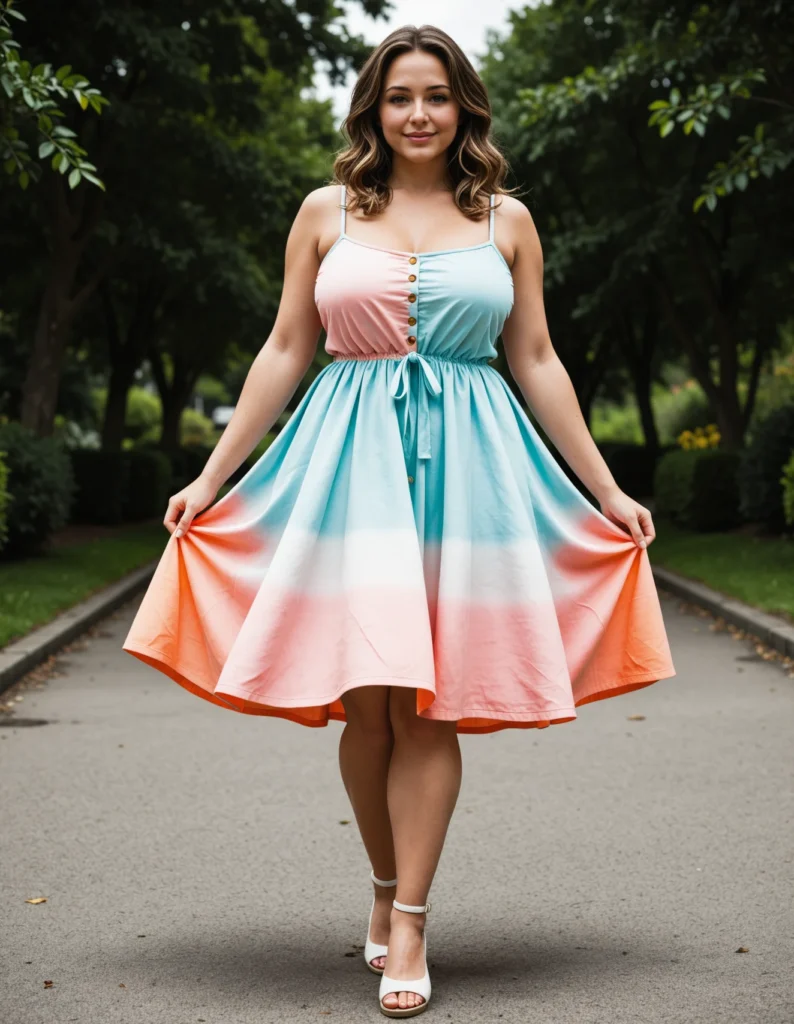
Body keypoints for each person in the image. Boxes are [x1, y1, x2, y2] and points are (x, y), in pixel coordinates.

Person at [122, 24, 675, 1019]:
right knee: (368, 702)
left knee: (430, 703)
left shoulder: (506, 219)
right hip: (346, 474)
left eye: (434, 95)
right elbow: (287, 346)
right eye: (396, 97)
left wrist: (602, 488)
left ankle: (409, 916)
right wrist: (212, 474)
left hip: (470, 479)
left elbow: (536, 359)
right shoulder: (324, 211)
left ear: (463, 106)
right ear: (371, 110)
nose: (416, 113)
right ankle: (381, 884)